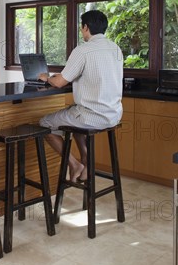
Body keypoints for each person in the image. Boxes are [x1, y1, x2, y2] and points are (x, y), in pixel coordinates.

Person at [38, 10, 123, 182]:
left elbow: (60, 82)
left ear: (86, 27)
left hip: (91, 116)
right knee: (73, 116)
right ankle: (86, 162)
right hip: (113, 115)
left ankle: (74, 164)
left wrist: (46, 78)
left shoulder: (83, 50)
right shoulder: (115, 48)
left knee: (44, 124)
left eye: (81, 27)